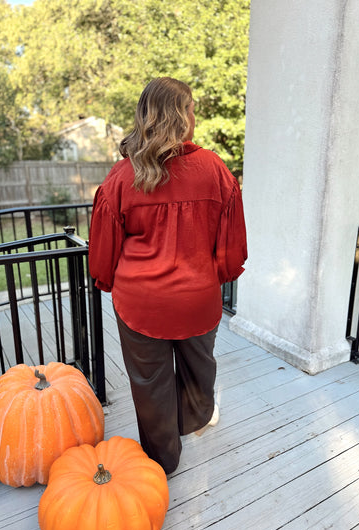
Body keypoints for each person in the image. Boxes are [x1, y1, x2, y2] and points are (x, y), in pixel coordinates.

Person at [88, 77, 247, 475]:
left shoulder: (123, 177)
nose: (195, 116)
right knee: (200, 372)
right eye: (192, 108)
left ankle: (163, 461)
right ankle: (191, 419)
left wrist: (106, 280)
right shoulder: (214, 169)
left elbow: (104, 253)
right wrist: (218, 275)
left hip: (140, 304)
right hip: (197, 300)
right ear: (182, 116)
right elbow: (231, 247)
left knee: (150, 384)